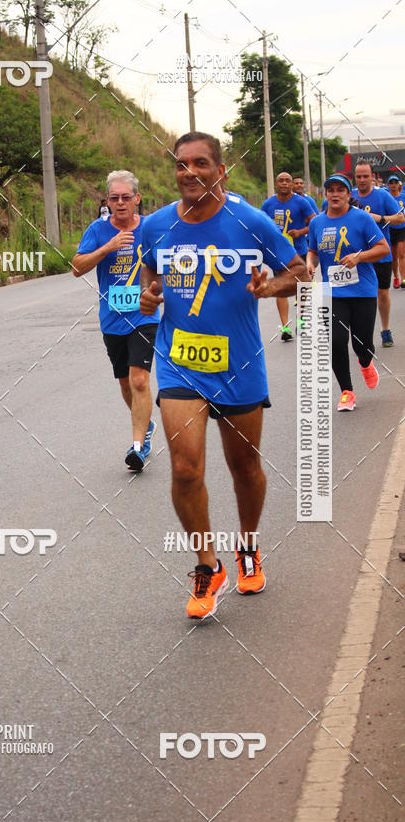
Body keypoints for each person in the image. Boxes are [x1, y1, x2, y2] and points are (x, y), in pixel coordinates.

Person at [139, 132, 308, 619]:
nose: (188, 173)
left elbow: (299, 271)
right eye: (180, 164)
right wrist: (149, 294)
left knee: (244, 469)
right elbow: (150, 275)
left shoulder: (250, 221)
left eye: (199, 163)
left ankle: (248, 545)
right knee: (186, 468)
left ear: (221, 170)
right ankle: (207, 566)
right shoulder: (156, 226)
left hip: (239, 366)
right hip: (179, 362)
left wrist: (268, 284)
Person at [74, 171, 158, 472]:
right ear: (107, 201)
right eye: (114, 198)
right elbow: (77, 267)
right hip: (112, 319)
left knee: (139, 379)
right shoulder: (98, 229)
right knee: (125, 382)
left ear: (137, 199)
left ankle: (139, 447)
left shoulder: (150, 227)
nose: (120, 203)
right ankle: (145, 424)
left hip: (145, 314)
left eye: (126, 197)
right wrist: (108, 247)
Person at [307, 174, 389, 412]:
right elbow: (312, 250)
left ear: (348, 194)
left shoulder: (361, 218)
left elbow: (382, 248)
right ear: (325, 194)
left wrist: (359, 256)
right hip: (331, 292)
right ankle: (347, 392)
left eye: (339, 190)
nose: (334, 194)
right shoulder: (317, 223)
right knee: (335, 341)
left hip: (362, 290)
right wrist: (311, 263)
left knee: (361, 345)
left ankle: (365, 363)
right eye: (330, 190)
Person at [351, 160, 404, 346]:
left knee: (382, 293)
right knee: (361, 296)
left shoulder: (382, 196)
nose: (363, 180)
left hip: (381, 253)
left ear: (372, 177)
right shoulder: (349, 195)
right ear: (354, 178)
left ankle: (385, 329)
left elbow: (400, 218)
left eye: (366, 176)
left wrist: (380, 218)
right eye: (359, 177)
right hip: (357, 256)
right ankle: (362, 335)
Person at [261, 172, 315, 340]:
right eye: (281, 181)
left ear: (292, 184)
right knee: (281, 288)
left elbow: (314, 223)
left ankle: (301, 322)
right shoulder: (268, 204)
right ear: (276, 184)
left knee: (302, 287)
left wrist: (300, 232)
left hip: (299, 250)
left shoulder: (301, 202)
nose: (284, 183)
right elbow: (260, 225)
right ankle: (285, 327)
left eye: (287, 181)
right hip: (279, 253)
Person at [385, 175, 405, 288]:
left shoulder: (403, 197)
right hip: (390, 229)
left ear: (398, 185)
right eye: (391, 183)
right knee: (393, 256)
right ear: (388, 185)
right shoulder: (386, 198)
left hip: (402, 228)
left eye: (395, 182)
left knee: (402, 254)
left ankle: (403, 278)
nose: (393, 185)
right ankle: (396, 277)